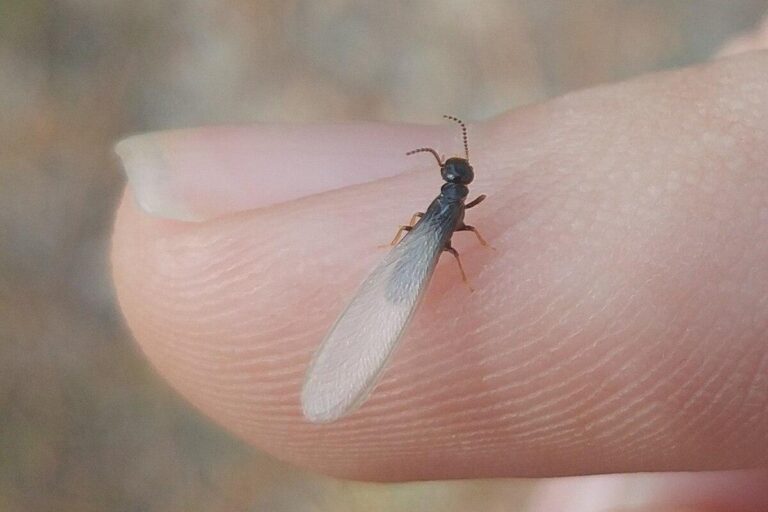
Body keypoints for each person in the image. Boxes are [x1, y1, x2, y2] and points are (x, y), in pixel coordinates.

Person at [111, 34, 768, 511]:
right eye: (452, 171)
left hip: (423, 255)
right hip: (423, 256)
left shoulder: (448, 207)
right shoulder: (450, 209)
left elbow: (455, 226)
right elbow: (455, 227)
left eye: (452, 171)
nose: (452, 176)